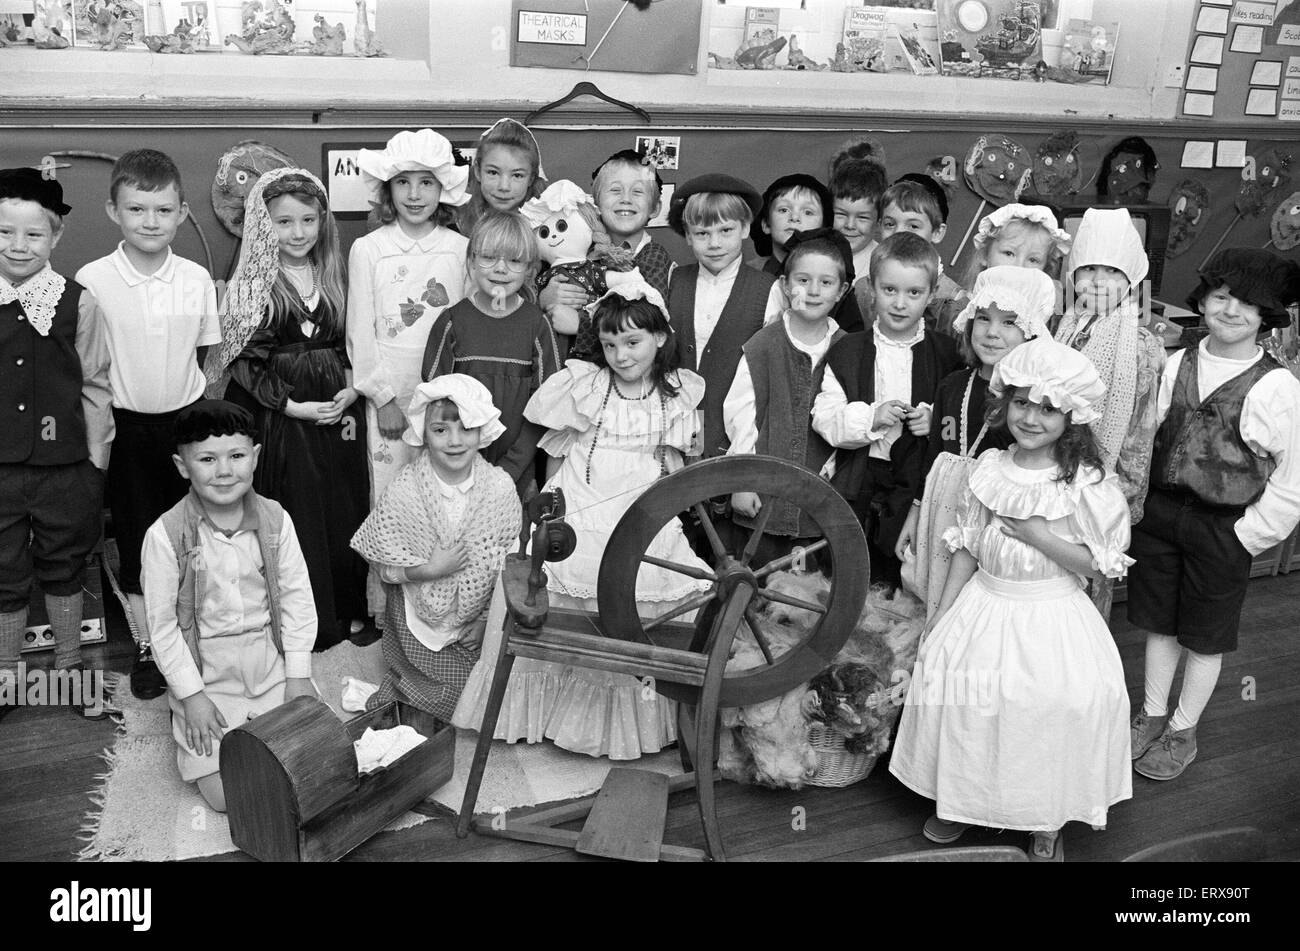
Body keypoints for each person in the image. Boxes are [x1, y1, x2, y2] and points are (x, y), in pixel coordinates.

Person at [889, 337, 1134, 863]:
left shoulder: (1083, 482)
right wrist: (939, 616)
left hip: (1049, 611)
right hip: (984, 602)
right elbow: (966, 547)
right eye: (1022, 403)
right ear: (1005, 404)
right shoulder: (990, 467)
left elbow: (1099, 566)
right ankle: (960, 800)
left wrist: (1037, 535)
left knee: (1042, 710)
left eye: (1048, 408)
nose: (1031, 417)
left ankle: (1044, 816)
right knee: (965, 703)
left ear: (1072, 417)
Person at [453, 284, 708, 759]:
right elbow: (557, 453)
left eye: (633, 343)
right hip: (582, 497)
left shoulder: (676, 395)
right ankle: (544, 710)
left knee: (643, 583)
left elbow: (675, 469)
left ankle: (617, 720)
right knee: (564, 576)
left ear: (659, 337)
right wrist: (552, 506)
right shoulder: (586, 384)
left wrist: (677, 494)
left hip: (642, 505)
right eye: (610, 344)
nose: (620, 355)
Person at [1127, 249, 1300, 782]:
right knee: (1159, 623)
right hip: (1161, 515)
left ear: (1266, 318)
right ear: (1203, 299)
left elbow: (1292, 480)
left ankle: (1183, 728)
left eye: (1248, 305)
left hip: (1223, 529)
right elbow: (1146, 436)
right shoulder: (1175, 363)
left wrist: (1247, 537)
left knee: (1203, 634)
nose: (1231, 311)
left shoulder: (1279, 388)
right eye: (1221, 296)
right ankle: (1151, 713)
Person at [75, 148, 220, 699]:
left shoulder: (195, 277)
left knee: (195, 535)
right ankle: (149, 646)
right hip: (126, 427)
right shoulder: (92, 280)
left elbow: (211, 360)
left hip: (187, 425)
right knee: (137, 541)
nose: (150, 222)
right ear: (114, 211)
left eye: (162, 211)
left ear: (182, 213)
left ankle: (197, 633)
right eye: (137, 210)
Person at [206, 167, 368, 651]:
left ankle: (347, 609)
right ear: (263, 225)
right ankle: (309, 623)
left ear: (323, 223)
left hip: (335, 414)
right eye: (283, 222)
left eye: (308, 220)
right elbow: (245, 363)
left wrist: (350, 386)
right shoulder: (256, 284)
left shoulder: (333, 275)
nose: (298, 233)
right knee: (300, 511)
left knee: (343, 505)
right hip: (285, 416)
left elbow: (344, 345)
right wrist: (291, 406)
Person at [141, 400, 317, 812]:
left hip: (268, 663)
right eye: (207, 459)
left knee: (313, 756)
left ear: (255, 457)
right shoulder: (165, 535)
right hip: (207, 673)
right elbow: (163, 628)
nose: (224, 470)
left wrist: (298, 675)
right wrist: (193, 697)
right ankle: (195, 719)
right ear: (183, 466)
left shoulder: (276, 520)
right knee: (224, 797)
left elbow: (297, 599)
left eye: (236, 456)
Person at [0, 168, 113, 722]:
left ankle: (69, 669)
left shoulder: (78, 303)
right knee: (4, 573)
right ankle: (7, 679)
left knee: (64, 567)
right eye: (4, 233)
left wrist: (95, 463)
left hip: (65, 469)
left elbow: (95, 385)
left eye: (33, 234)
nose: (19, 246)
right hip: (1, 473)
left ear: (55, 238)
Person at [350, 376, 520, 722]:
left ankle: (440, 687)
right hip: (416, 614)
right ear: (424, 435)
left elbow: (508, 565)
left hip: (475, 617)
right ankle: (410, 686)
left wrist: (486, 621)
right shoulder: (406, 489)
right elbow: (385, 566)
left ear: (481, 433)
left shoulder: (500, 489)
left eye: (466, 429)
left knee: (489, 698)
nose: (455, 441)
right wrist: (429, 570)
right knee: (446, 703)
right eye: (441, 430)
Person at [896, 266, 1052, 618]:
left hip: (994, 518)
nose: (992, 332)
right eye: (983, 318)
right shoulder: (952, 384)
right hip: (942, 506)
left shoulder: (1028, 401)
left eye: (1009, 322)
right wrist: (916, 511)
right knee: (933, 597)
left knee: (974, 609)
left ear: (1031, 331)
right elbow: (933, 453)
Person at [812, 232, 961, 588]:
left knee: (906, 577)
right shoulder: (848, 351)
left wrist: (937, 422)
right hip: (859, 482)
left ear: (932, 293)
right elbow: (824, 418)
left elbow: (960, 429)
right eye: (889, 290)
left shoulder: (948, 354)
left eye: (914, 293)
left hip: (918, 490)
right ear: (871, 288)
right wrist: (870, 417)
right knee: (850, 574)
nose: (899, 303)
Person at [347, 129, 470, 516]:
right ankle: (390, 576)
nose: (414, 195)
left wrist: (460, 398)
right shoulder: (369, 249)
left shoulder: (460, 250)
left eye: (426, 183)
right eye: (403, 182)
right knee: (391, 500)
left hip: (446, 396)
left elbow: (466, 327)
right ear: (388, 189)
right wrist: (381, 398)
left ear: (443, 189)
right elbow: (359, 332)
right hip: (392, 396)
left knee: (445, 499)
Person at [724, 229, 850, 570]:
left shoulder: (849, 350)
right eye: (803, 279)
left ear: (842, 291)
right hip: (762, 499)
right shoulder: (762, 345)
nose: (813, 290)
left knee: (814, 596)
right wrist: (743, 481)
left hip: (822, 502)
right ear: (784, 285)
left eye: (826, 283)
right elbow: (741, 415)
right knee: (754, 587)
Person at [421, 210, 562, 497]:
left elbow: (546, 406)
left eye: (513, 260)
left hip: (518, 474)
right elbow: (436, 404)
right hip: (457, 468)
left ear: (530, 269)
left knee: (515, 540)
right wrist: (462, 464)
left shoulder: (537, 325)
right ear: (471, 260)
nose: (501, 269)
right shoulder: (451, 323)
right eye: (488, 258)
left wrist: (511, 469)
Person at [666, 173, 774, 460]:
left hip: (735, 437)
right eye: (702, 233)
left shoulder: (768, 290)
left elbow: (765, 381)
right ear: (688, 236)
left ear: (745, 228)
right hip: (673, 435)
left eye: (725, 231)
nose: (714, 243)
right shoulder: (673, 280)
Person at [539, 149, 675, 326]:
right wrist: (544, 298)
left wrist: (581, 325)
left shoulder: (654, 257)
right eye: (615, 190)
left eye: (638, 192)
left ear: (655, 208)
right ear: (595, 202)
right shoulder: (576, 248)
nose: (626, 199)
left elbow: (648, 321)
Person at [875, 173, 965, 336]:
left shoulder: (953, 300)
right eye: (890, 224)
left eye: (913, 226)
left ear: (937, 232)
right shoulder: (864, 288)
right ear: (879, 225)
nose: (899, 233)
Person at [454, 117, 546, 236]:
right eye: (493, 173)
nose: (504, 186)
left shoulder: (544, 230)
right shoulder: (459, 223)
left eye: (517, 175)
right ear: (478, 171)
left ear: (531, 179)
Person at [961, 202, 1071, 292]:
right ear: (984, 254)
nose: (1019, 267)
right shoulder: (960, 310)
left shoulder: (1043, 316)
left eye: (1033, 260)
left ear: (1044, 270)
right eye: (1009, 253)